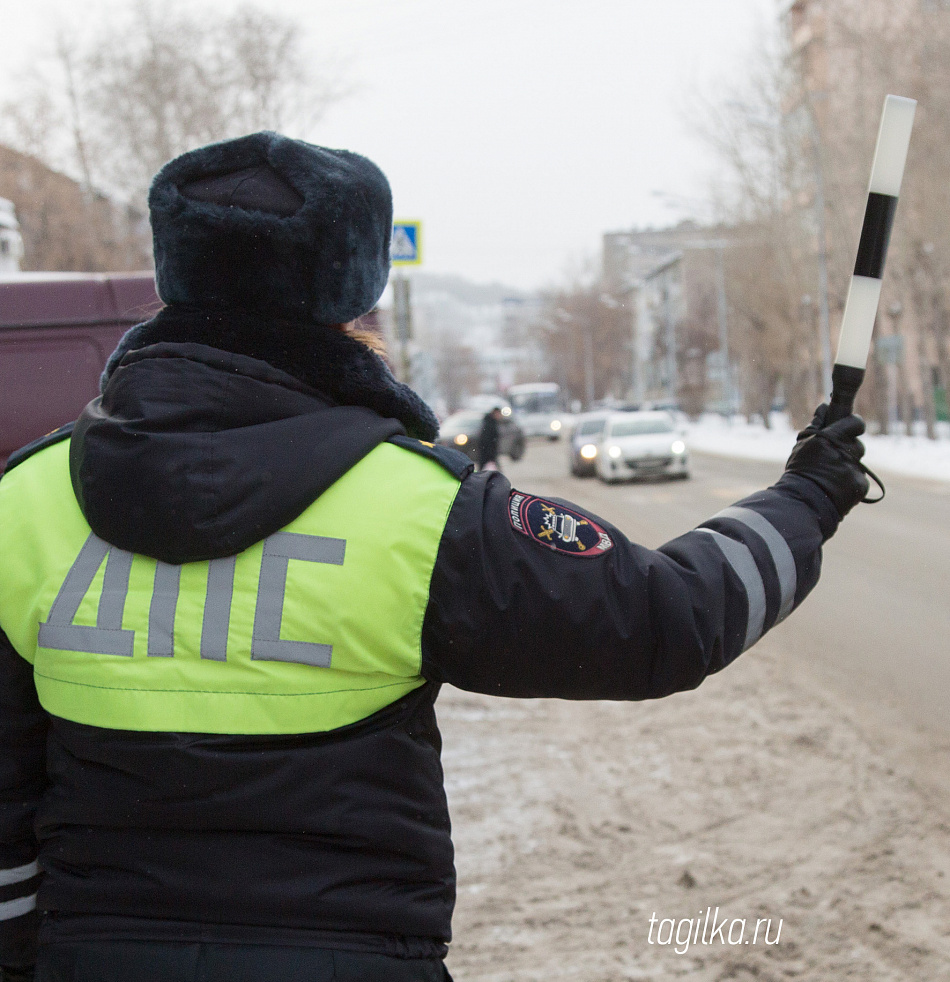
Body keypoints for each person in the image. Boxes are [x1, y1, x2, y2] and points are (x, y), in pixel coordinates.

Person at [0, 132, 870, 982]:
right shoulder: (421, 510)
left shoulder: (24, 502)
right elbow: (672, 619)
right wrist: (807, 498)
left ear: (174, 272)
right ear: (352, 297)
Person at [476, 406, 503, 471]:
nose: (500, 416)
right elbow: (487, 440)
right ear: (495, 413)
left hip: (488, 452)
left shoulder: (491, 423)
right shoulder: (490, 424)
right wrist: (490, 453)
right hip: (487, 452)